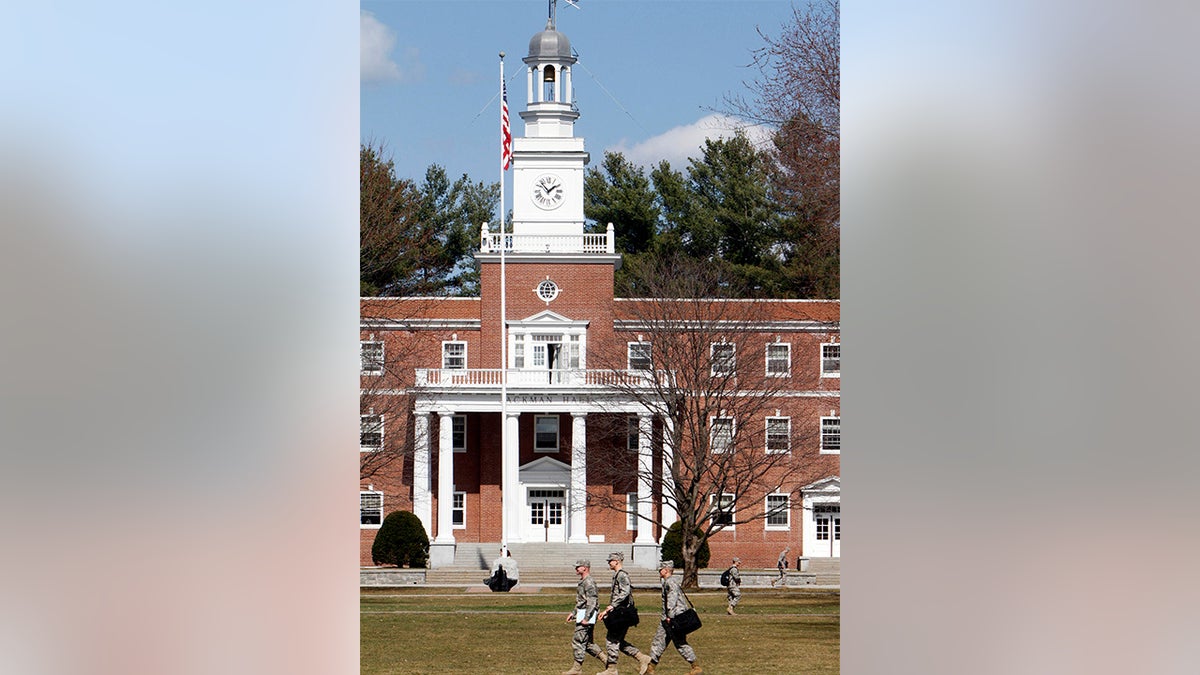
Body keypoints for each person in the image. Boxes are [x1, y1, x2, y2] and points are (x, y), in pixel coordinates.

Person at [595, 552, 653, 675]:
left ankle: (612, 669)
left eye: (610, 560)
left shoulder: (622, 575)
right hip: (619, 612)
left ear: (617, 561)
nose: (609, 563)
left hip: (621, 613)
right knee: (619, 641)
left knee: (612, 640)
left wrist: (611, 606)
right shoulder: (617, 575)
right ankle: (642, 658)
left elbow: (625, 592)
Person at [645, 560, 701, 675]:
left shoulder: (669, 582)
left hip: (671, 619)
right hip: (676, 618)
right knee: (677, 642)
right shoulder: (671, 581)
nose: (659, 571)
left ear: (666, 570)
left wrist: (669, 617)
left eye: (661, 569)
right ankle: (695, 667)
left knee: (660, 642)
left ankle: (650, 669)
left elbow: (672, 600)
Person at [561, 559, 606, 675]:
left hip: (587, 615)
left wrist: (586, 618)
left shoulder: (589, 582)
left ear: (585, 568)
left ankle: (577, 669)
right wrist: (574, 613)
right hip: (583, 613)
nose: (576, 568)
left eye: (578, 567)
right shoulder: (583, 581)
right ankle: (609, 663)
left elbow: (592, 602)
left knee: (578, 640)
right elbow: (582, 601)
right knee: (588, 644)